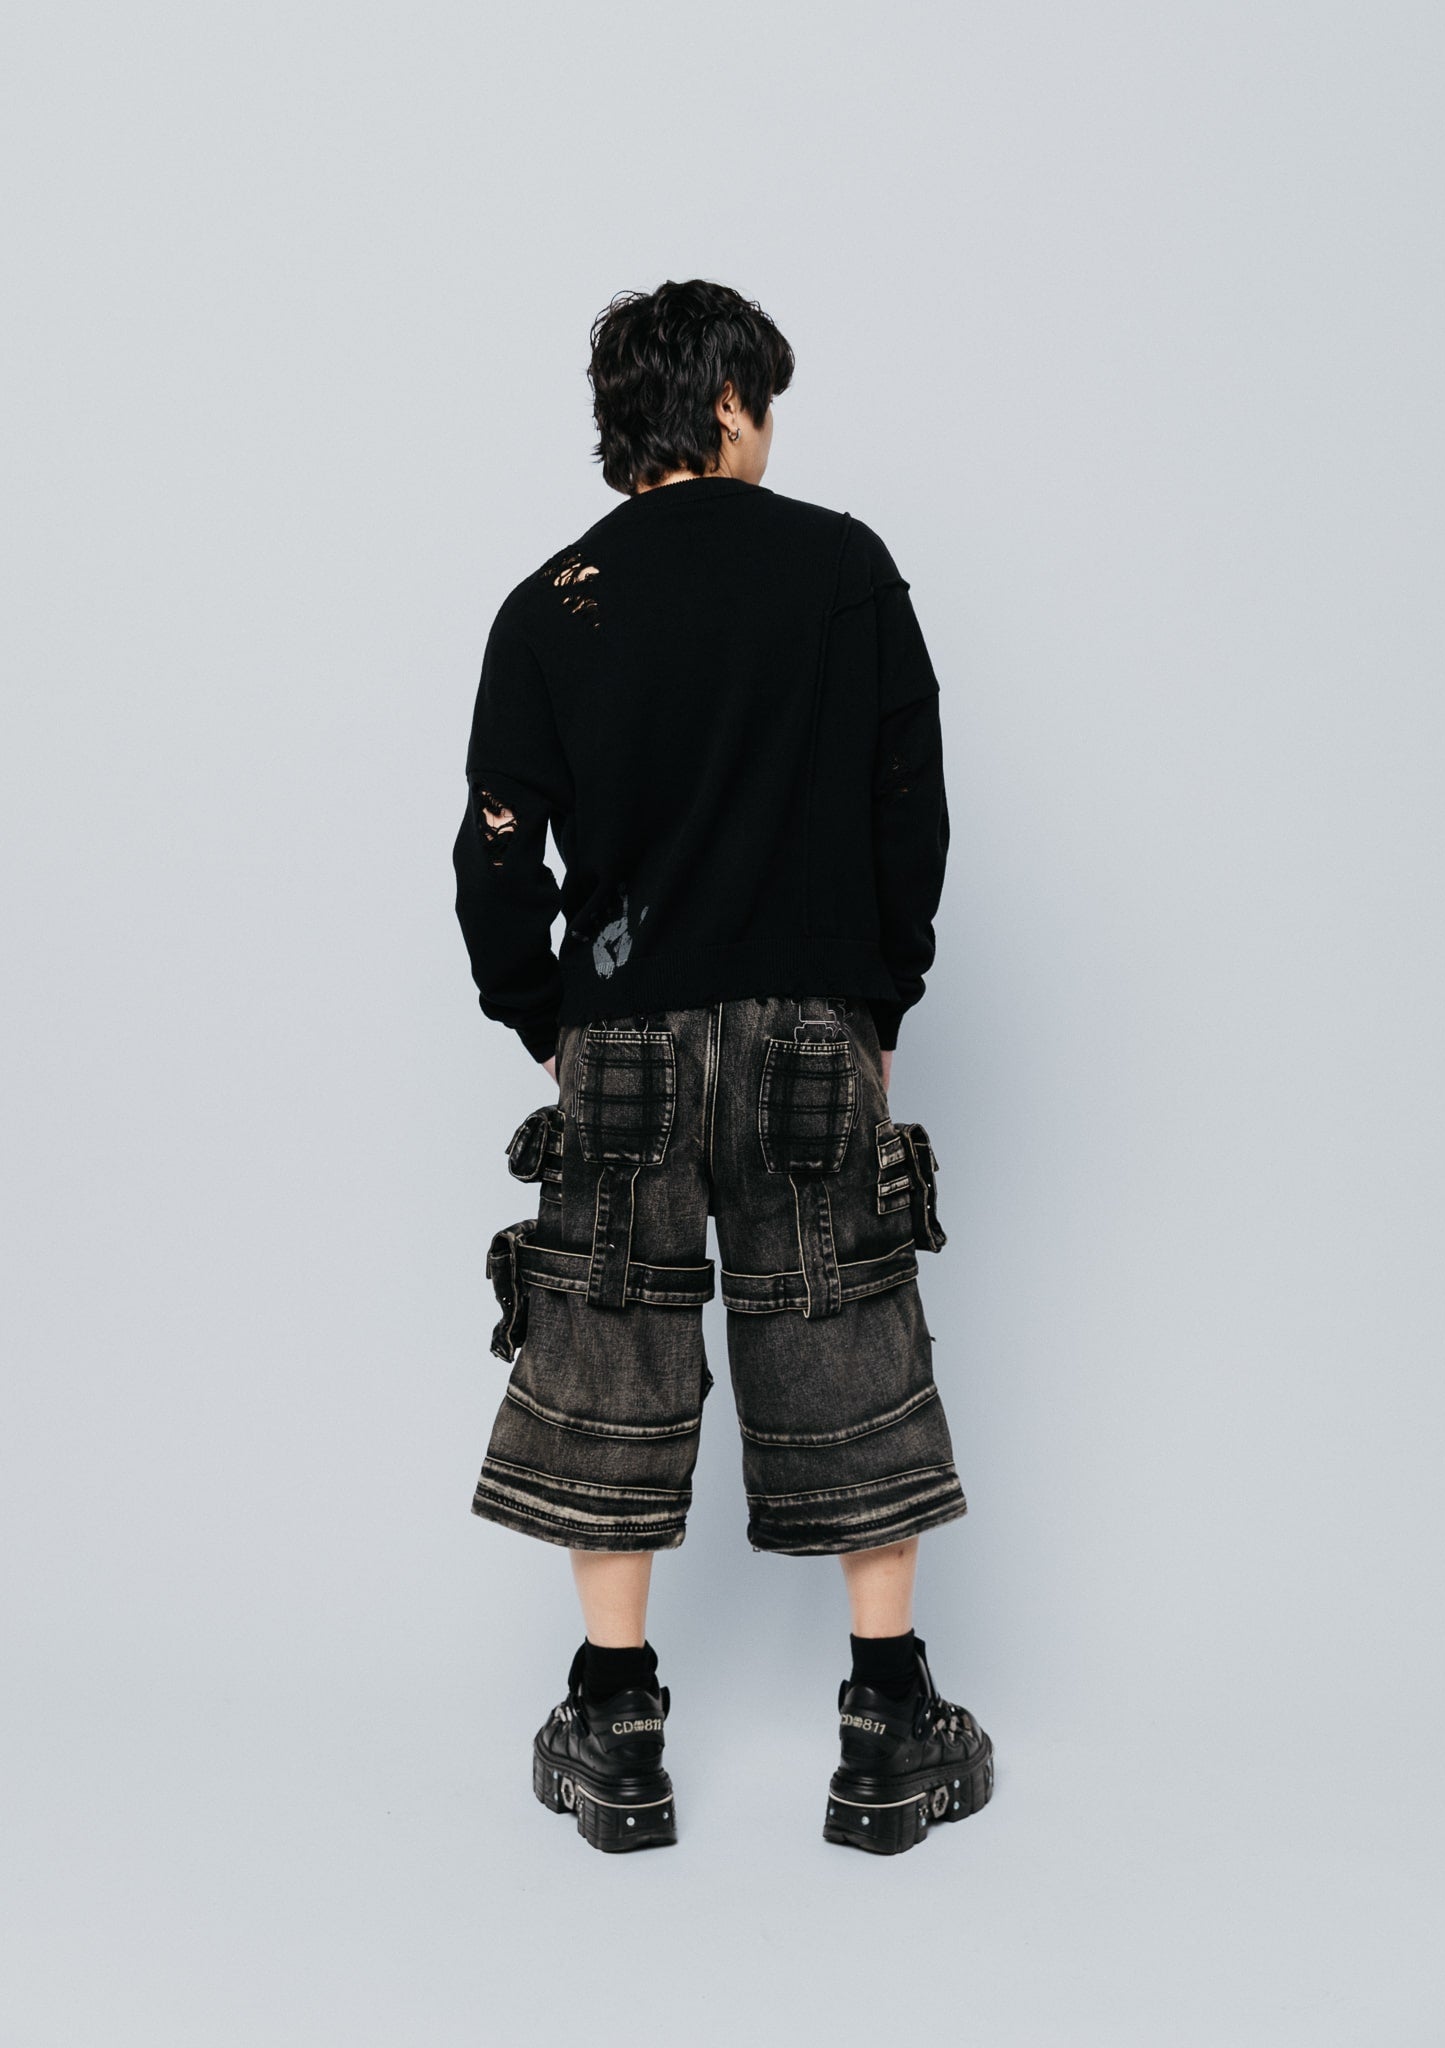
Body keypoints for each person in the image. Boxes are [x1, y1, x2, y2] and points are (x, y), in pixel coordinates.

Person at [452, 278, 994, 1855]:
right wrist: (876, 1000)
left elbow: (497, 859)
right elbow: (910, 807)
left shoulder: (551, 605)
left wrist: (545, 1017)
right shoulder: (843, 570)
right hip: (813, 1029)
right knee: (849, 1332)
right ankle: (888, 1731)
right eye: (766, 405)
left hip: (621, 1037)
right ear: (730, 405)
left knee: (606, 1346)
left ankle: (616, 1733)